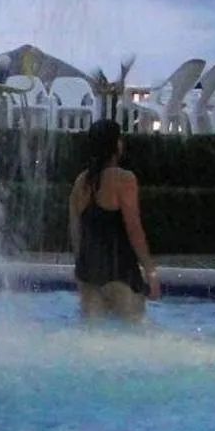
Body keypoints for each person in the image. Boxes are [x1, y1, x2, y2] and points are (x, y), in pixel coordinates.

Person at [68, 119, 160, 320]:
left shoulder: (80, 183)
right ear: (115, 145)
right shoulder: (124, 180)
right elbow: (134, 230)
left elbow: (76, 234)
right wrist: (150, 272)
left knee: (92, 338)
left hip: (88, 274)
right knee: (132, 336)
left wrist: (82, 267)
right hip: (121, 273)